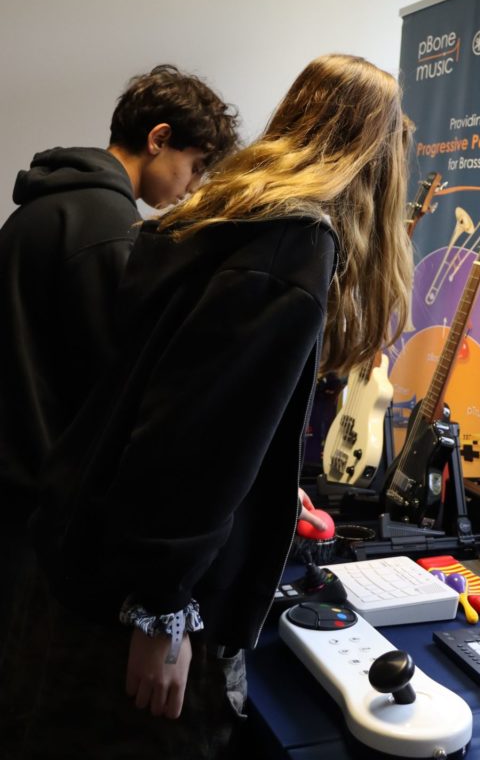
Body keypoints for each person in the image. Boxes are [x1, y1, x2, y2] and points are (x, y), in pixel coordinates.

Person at [3, 53, 413, 759]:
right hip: (137, 602)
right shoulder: (293, 243)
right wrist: (162, 611)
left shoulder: (220, 217)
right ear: (372, 156)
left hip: (81, 562)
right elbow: (190, 438)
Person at [0, 63, 239, 647]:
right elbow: (116, 392)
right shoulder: (110, 231)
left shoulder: (38, 209)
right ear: (158, 139)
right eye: (194, 165)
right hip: (36, 512)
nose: (193, 185)